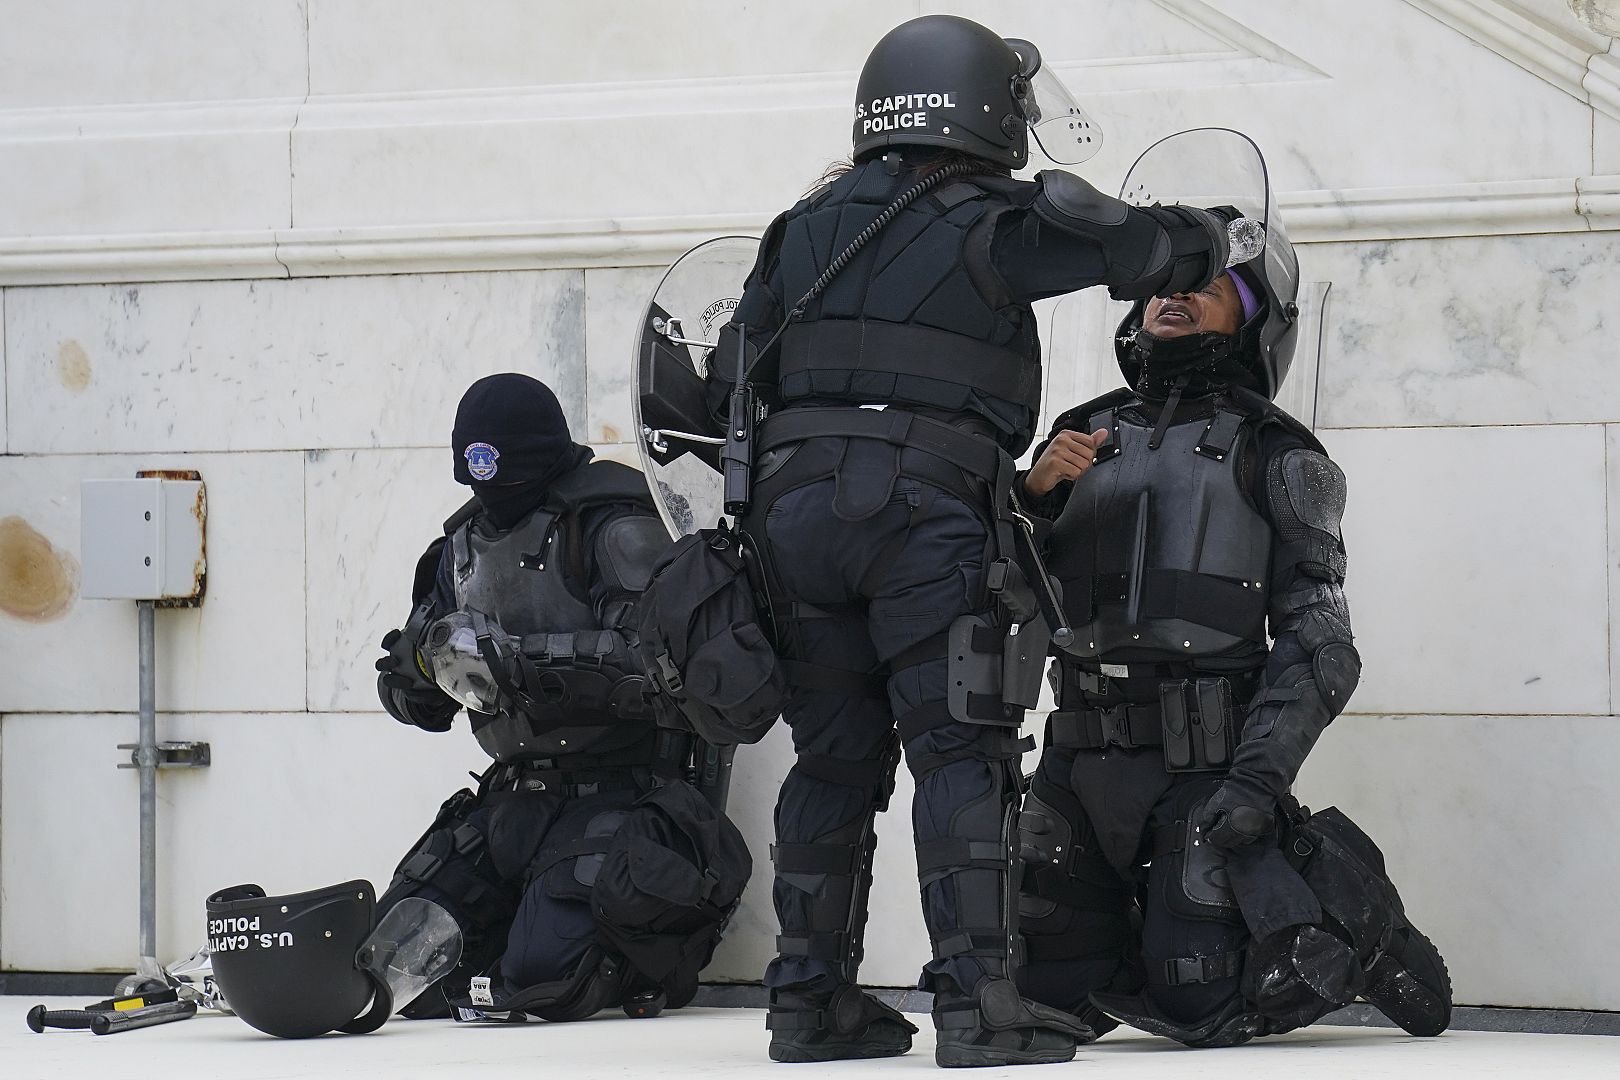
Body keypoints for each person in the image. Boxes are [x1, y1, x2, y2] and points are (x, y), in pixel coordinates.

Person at [703, 14, 1237, 1067]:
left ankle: (807, 1009)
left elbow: (730, 373)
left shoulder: (801, 224)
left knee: (832, 762)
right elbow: (1156, 252)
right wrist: (1203, 234)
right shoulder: (992, 217)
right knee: (961, 752)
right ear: (987, 108)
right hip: (922, 506)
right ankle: (979, 1013)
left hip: (794, 515)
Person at [1014, 238, 1454, 1046]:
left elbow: (1322, 643)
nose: (1173, 296)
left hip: (1204, 770)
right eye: (1163, 285)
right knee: (1043, 995)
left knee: (1199, 1005)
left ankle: (1358, 923)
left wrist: (1255, 785)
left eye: (1207, 285)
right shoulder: (1076, 438)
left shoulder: (1278, 451)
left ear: (1256, 318)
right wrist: (1031, 500)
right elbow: (993, 594)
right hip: (1077, 761)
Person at [373, 372, 747, 1022]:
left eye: (504, 474)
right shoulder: (459, 548)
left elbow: (662, 669)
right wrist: (418, 669)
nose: (493, 492)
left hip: (620, 788)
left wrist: (522, 664)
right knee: (393, 968)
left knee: (546, 981)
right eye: (477, 473)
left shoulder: (611, 526)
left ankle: (628, 958)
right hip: (511, 798)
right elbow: (420, 704)